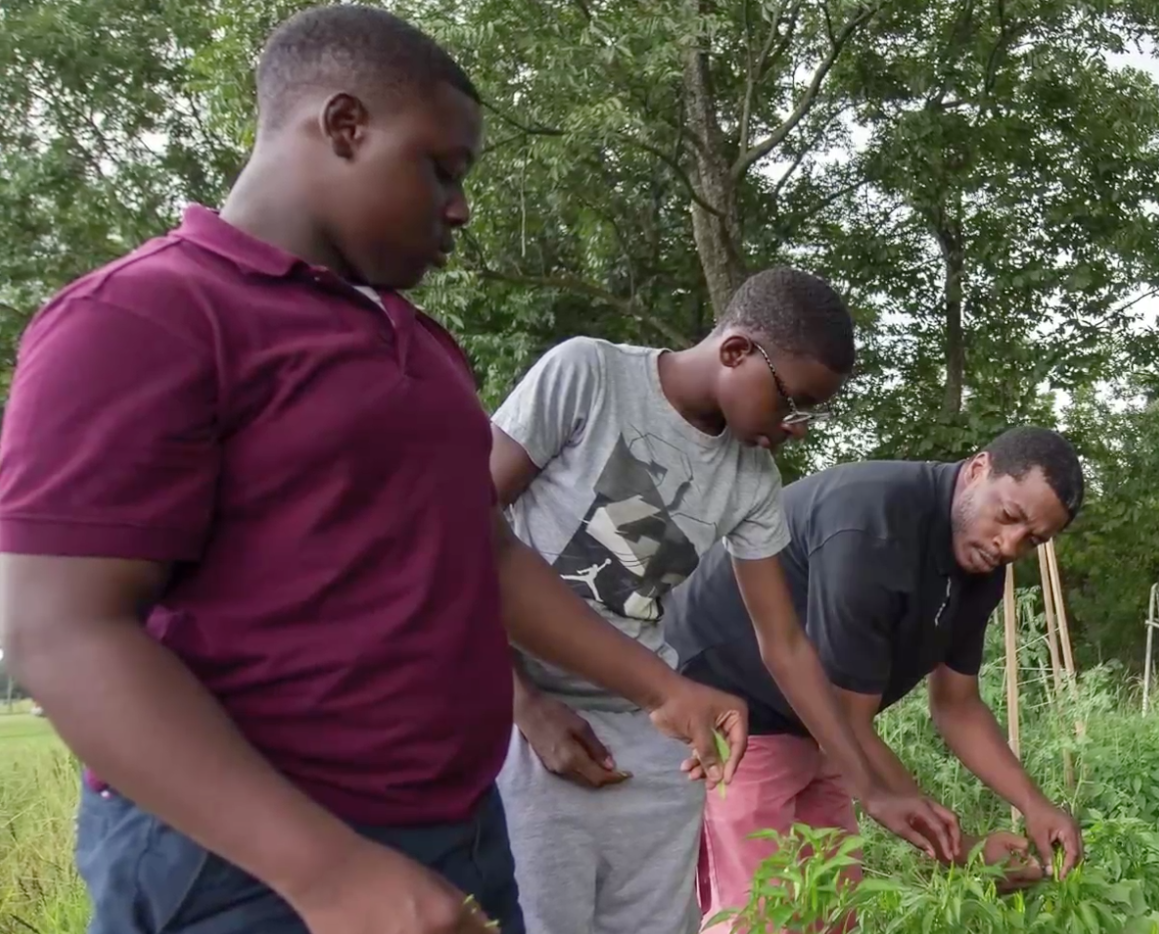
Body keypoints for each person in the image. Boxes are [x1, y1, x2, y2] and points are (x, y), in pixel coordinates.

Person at [0, 8, 744, 934]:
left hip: (457, 832)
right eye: (443, 169)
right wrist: (330, 874)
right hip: (247, 861)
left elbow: (484, 551)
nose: (460, 207)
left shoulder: (420, 348)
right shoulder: (145, 317)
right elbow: (60, 632)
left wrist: (660, 686)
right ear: (344, 125)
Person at [489, 269, 955, 934]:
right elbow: (463, 524)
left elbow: (785, 645)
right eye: (791, 402)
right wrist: (520, 703)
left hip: (650, 734)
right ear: (737, 352)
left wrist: (871, 786)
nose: (793, 429)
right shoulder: (589, 374)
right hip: (521, 717)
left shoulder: (752, 479)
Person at [664, 426, 1088, 928]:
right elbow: (849, 716)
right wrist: (963, 849)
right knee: (761, 911)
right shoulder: (875, 526)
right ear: (978, 469)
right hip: (734, 712)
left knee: (833, 905)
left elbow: (957, 704)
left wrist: (1035, 805)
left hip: (818, 723)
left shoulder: (980, 566)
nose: (1010, 545)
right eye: (1010, 516)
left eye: (1032, 539)